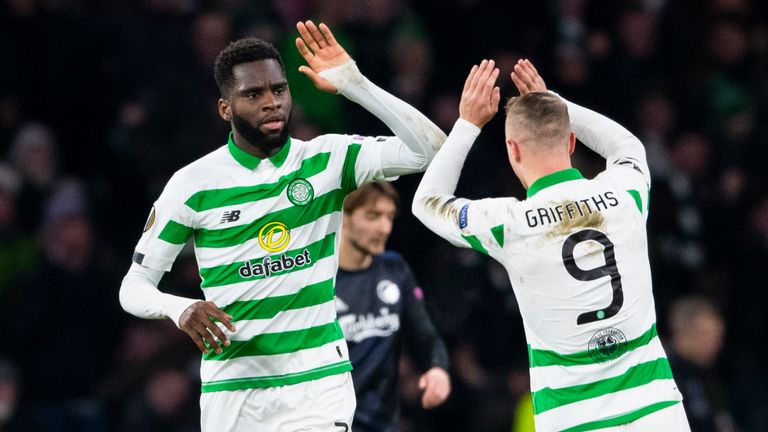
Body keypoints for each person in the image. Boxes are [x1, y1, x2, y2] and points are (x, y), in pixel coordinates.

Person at [118, 20, 446, 432]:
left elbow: (430, 149)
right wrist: (180, 308)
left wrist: (355, 84)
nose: (271, 102)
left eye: (278, 89)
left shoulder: (328, 160)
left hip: (318, 384)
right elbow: (133, 288)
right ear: (226, 108)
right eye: (253, 94)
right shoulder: (193, 185)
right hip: (234, 390)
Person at [411, 58, 689, 431]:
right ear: (571, 140)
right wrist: (556, 103)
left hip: (571, 419)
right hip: (656, 413)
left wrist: (467, 124)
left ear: (513, 150)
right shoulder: (625, 195)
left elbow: (427, 202)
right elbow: (626, 144)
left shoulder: (507, 225)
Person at [335, 182, 451, 431]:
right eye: (373, 216)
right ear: (344, 216)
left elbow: (426, 335)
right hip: (331, 421)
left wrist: (437, 368)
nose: (385, 228)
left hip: (384, 422)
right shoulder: (321, 279)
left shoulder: (395, 270)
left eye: (389, 217)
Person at [667, 296, 736, 432]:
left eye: (718, 336)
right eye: (706, 335)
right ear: (682, 335)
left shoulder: (707, 373)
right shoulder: (665, 377)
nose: (716, 344)